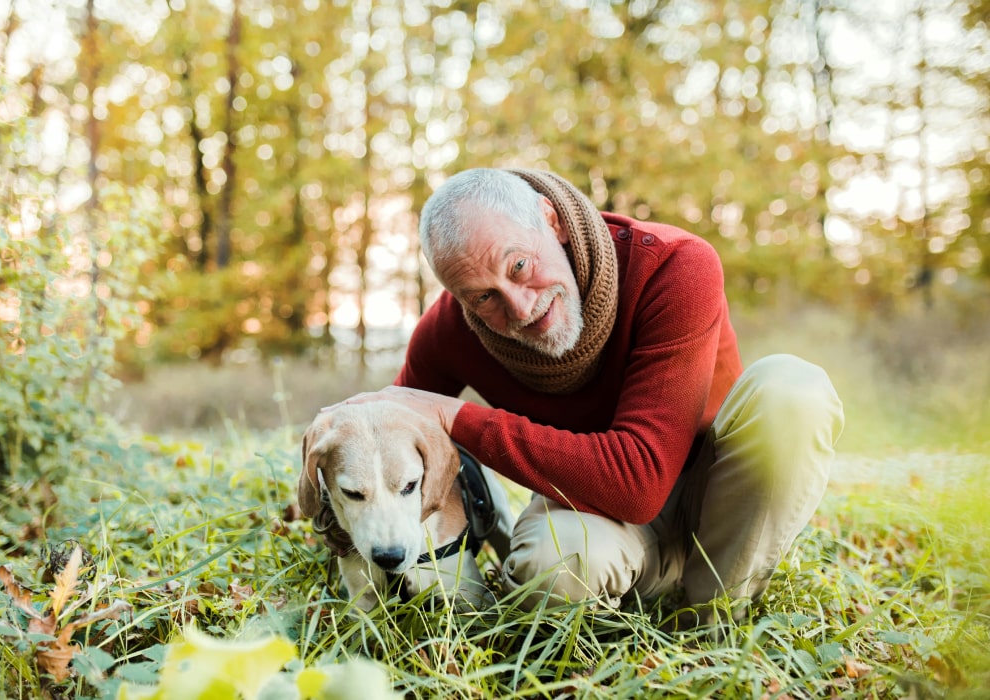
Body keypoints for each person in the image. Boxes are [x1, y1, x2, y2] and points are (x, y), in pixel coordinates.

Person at [336, 167, 844, 624]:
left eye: (517, 267)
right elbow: (390, 439)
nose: (519, 306)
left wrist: (458, 416)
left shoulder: (673, 266)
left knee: (792, 390)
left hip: (720, 497)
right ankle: (635, 597)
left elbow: (640, 481)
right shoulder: (450, 329)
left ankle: (714, 617)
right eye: (483, 297)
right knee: (547, 564)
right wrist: (334, 508)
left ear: (550, 221)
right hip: (603, 520)